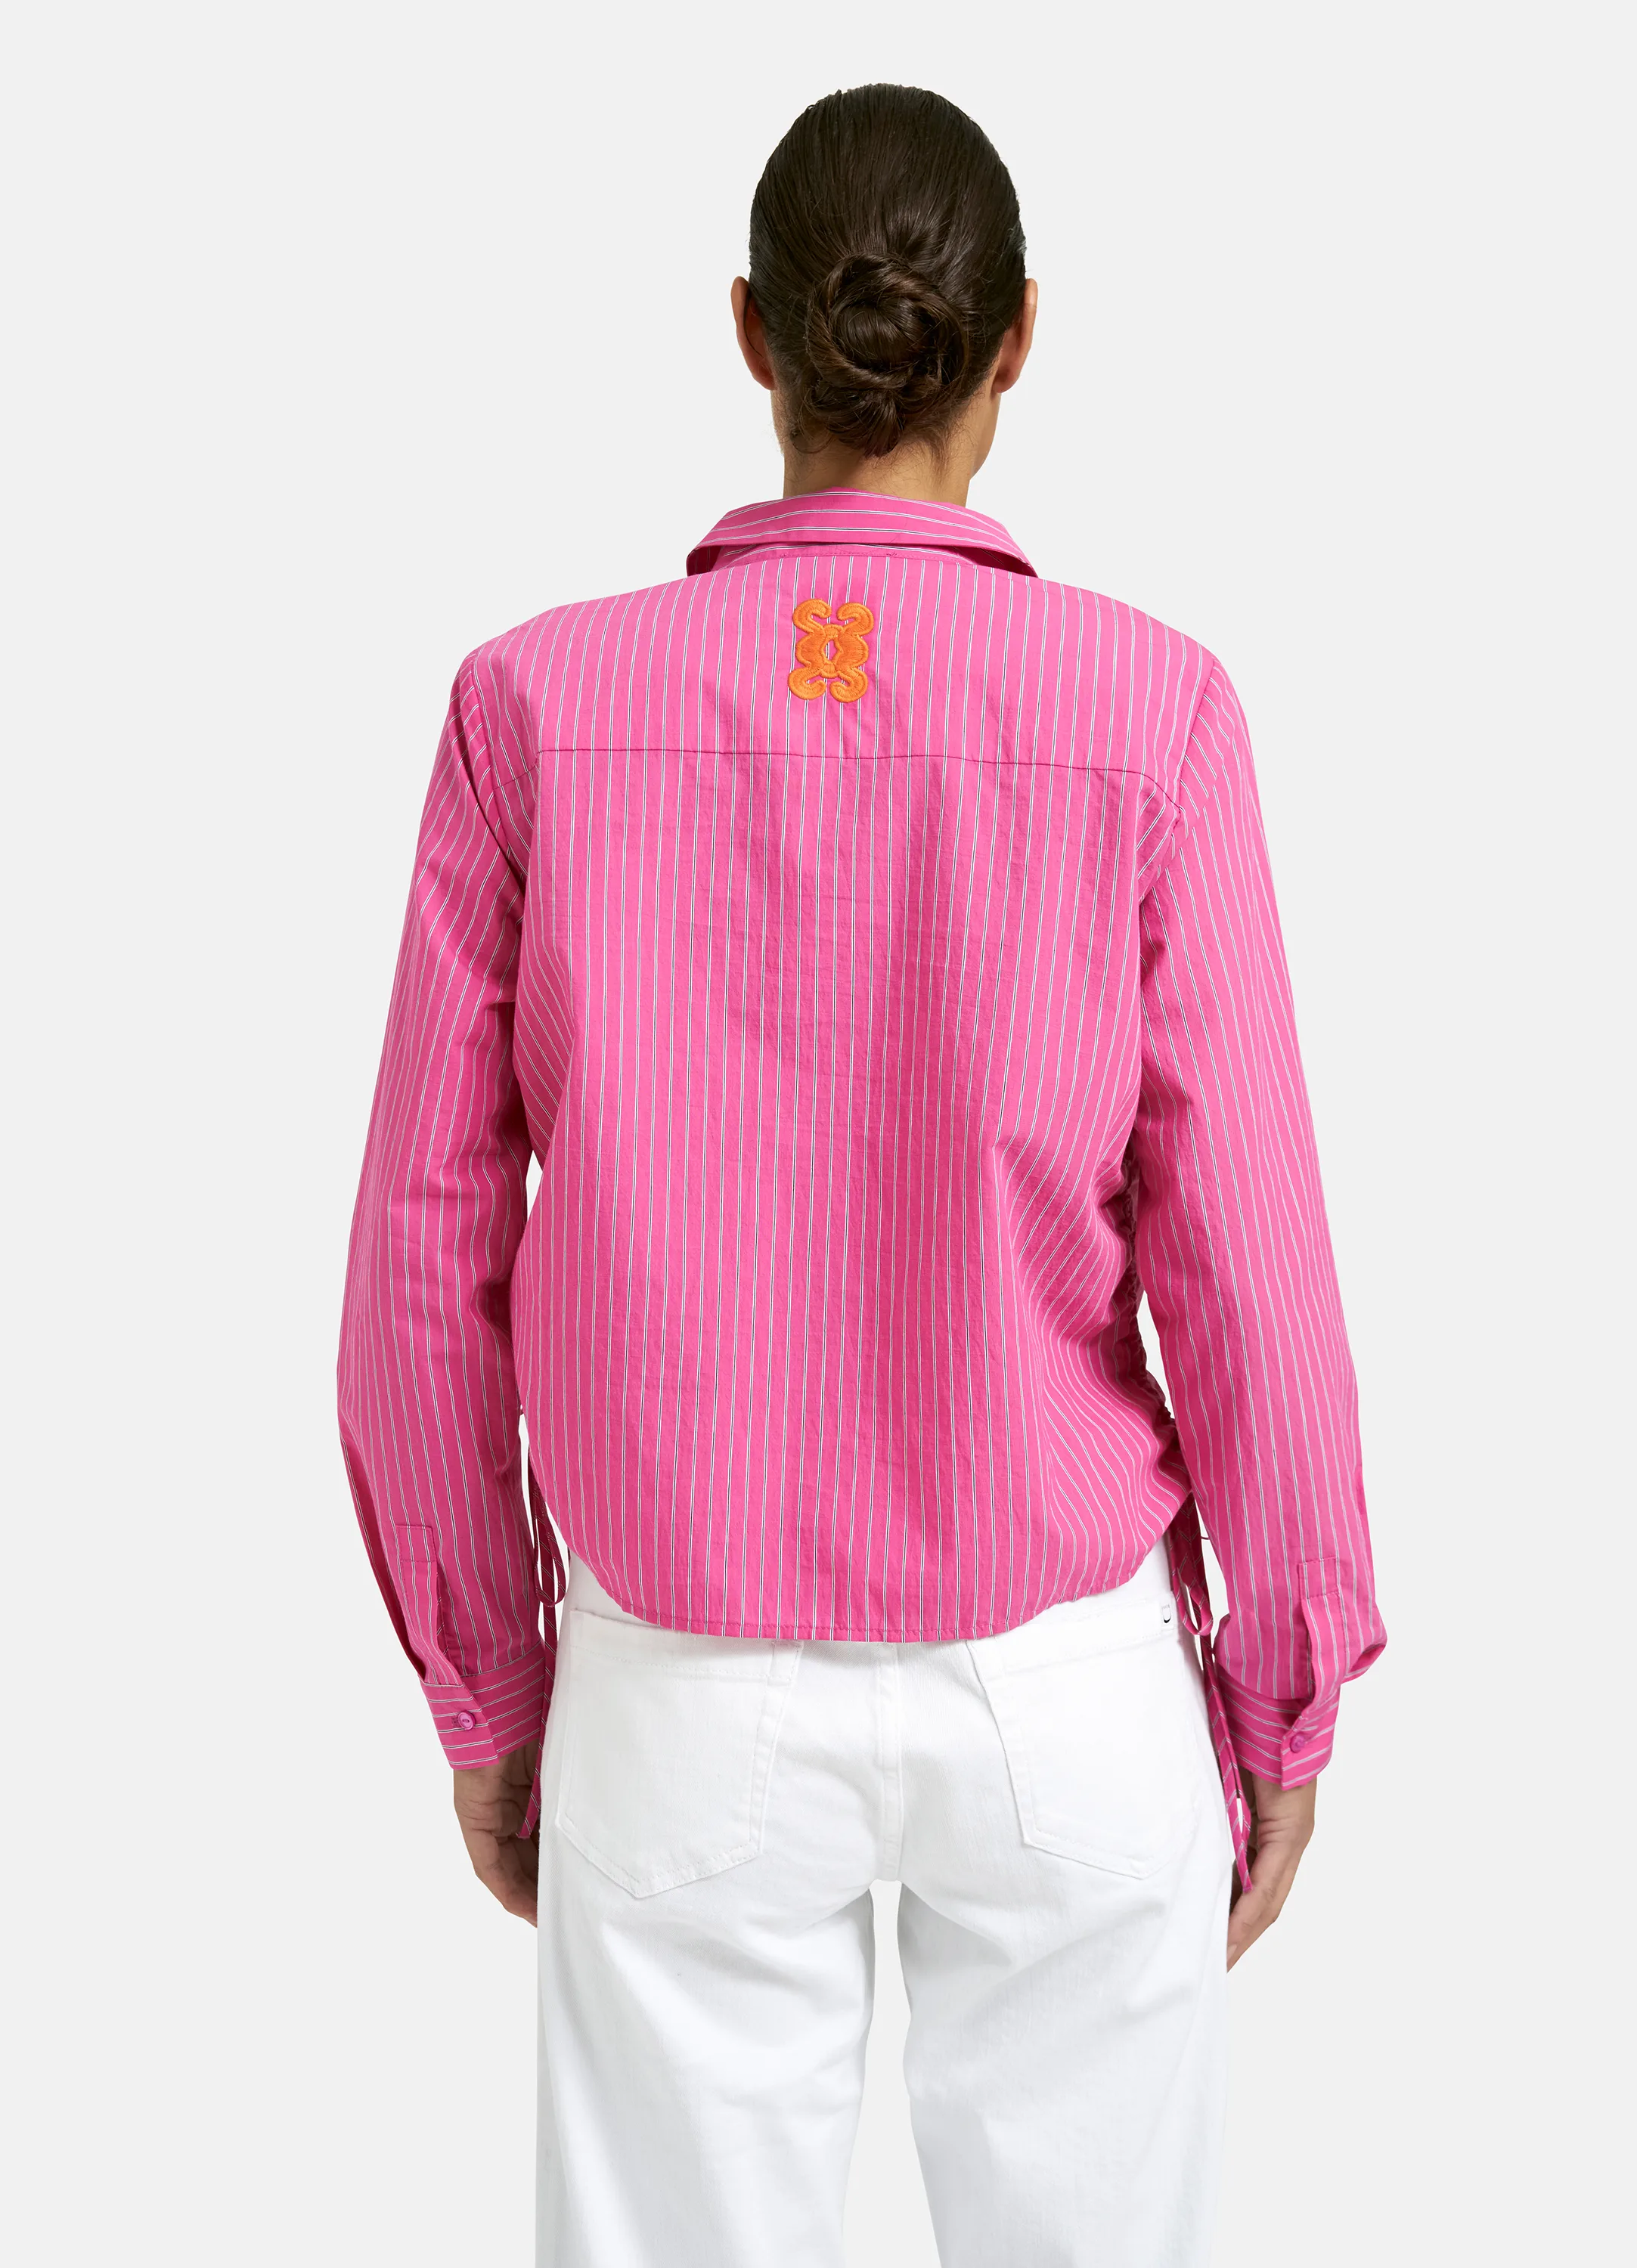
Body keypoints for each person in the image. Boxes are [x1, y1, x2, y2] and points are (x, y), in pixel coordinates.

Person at [337, 81, 1385, 2268]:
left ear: (749, 332)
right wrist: (1286, 1680)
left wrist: (490, 1681)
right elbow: (1246, 1247)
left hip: (677, 1679)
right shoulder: (1152, 710)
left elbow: (426, 1260)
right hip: (1067, 1682)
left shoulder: (539, 708)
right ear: (1022, 340)